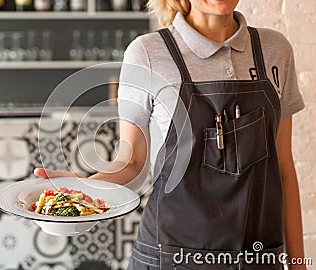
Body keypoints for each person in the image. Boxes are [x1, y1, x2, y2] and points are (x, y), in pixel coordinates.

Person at [35, 0, 306, 269]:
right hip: (171, 259)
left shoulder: (275, 50)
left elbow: (283, 167)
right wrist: (83, 191)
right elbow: (131, 163)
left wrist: (298, 264)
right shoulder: (149, 53)